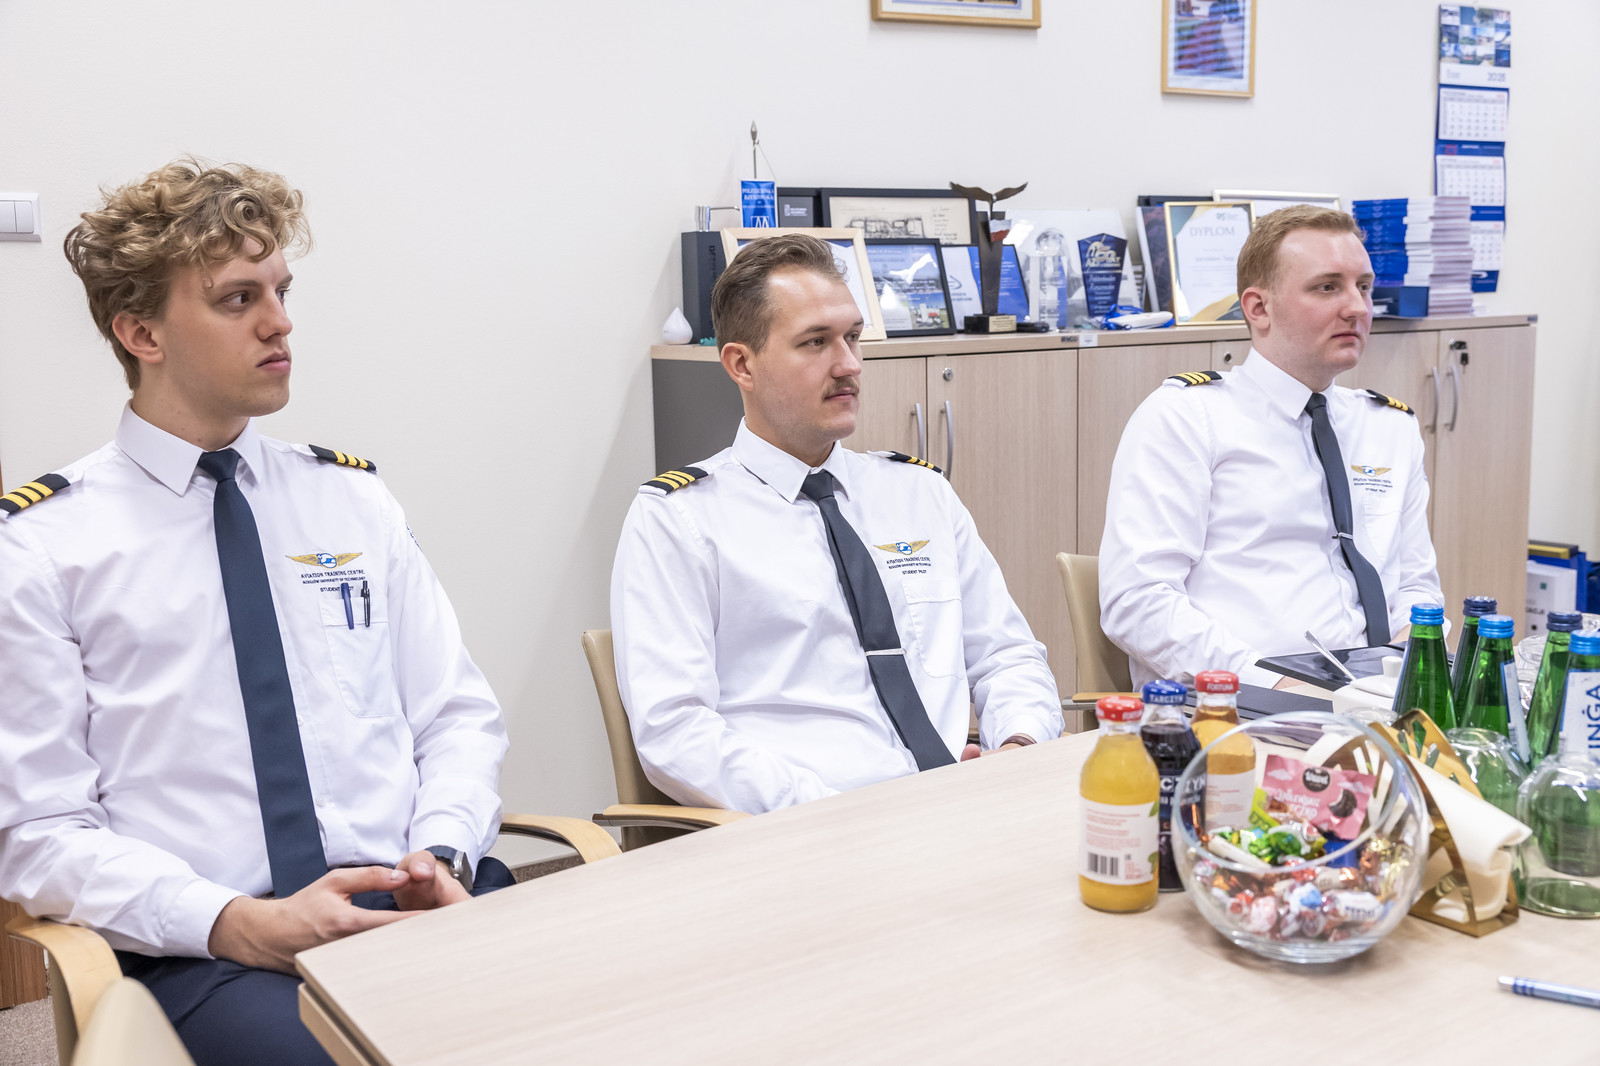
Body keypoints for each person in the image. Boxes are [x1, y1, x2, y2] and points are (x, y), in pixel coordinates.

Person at [0, 161, 510, 1066]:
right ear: (141, 333)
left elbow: (456, 716)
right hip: (212, 949)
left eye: (280, 290)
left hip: (418, 895)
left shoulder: (349, 499)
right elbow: (40, 834)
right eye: (238, 299)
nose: (279, 322)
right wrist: (234, 921)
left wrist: (442, 853)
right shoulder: (45, 546)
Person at [610, 233, 1062, 815]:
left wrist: (1019, 746)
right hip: (807, 826)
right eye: (815, 342)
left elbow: (1007, 654)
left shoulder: (919, 493)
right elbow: (675, 731)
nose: (849, 365)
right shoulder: (681, 519)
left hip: (958, 806)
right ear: (742, 365)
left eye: (852, 337)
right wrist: (829, 811)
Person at [1099, 205, 1444, 689]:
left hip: (1377, 696)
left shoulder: (1390, 426)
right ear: (1258, 308)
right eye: (1327, 287)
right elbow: (1137, 601)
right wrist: (1275, 685)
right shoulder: (1188, 417)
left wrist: (1407, 669)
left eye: (1363, 286)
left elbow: (1416, 586)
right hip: (1243, 702)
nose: (1358, 308)